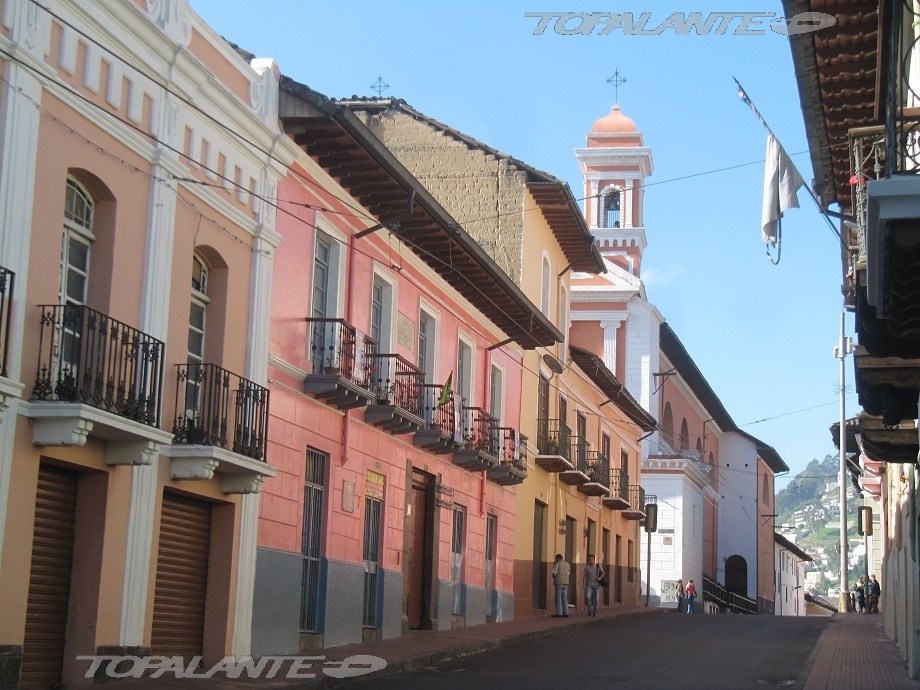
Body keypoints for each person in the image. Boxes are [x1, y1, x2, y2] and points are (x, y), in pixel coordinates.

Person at [552, 553, 570, 618]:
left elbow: (554, 574)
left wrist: (554, 576)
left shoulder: (557, 564)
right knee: (564, 598)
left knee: (558, 598)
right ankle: (566, 612)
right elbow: (568, 573)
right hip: (566, 583)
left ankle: (558, 613)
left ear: (557, 558)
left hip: (559, 583)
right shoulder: (567, 564)